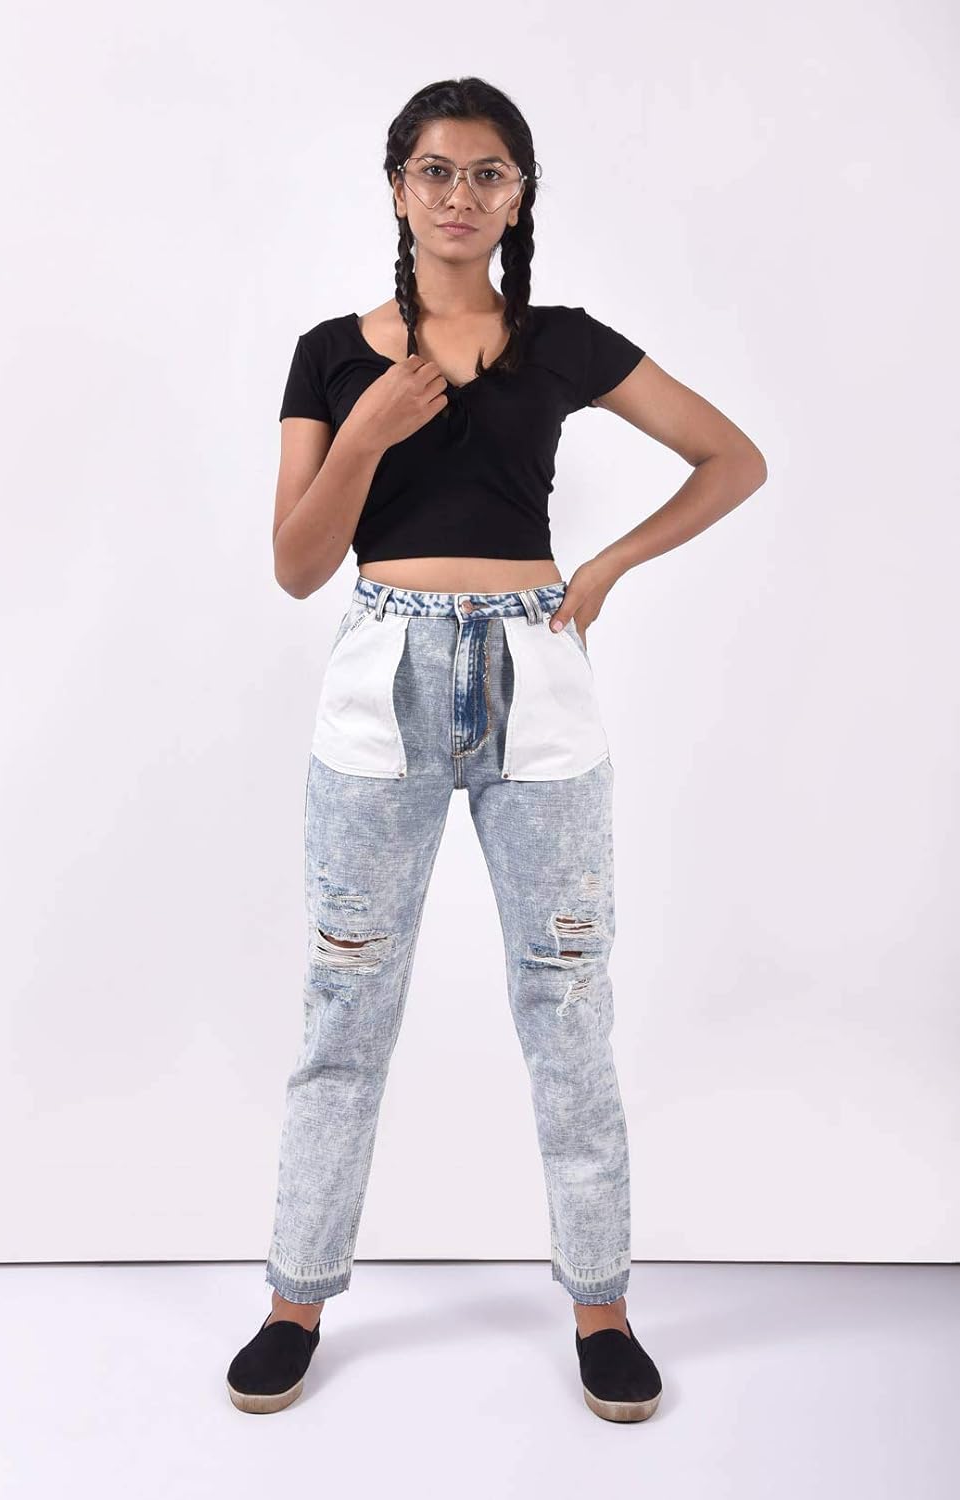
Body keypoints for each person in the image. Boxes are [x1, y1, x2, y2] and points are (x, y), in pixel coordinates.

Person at [226, 76, 767, 1422]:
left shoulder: (564, 344)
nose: (459, 195)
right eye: (436, 170)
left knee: (566, 999)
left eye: (487, 174)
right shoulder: (329, 354)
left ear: (519, 196)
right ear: (396, 187)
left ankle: (601, 1306)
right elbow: (297, 564)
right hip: (383, 676)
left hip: (537, 673)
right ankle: (296, 1297)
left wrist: (609, 565)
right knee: (346, 1001)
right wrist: (366, 431)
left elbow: (731, 458)